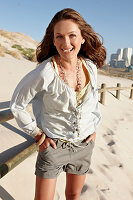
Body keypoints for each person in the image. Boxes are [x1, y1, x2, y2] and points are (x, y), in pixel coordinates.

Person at [10, 8, 106, 200]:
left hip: (84, 145)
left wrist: (93, 128)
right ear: (53, 41)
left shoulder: (90, 67)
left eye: (72, 35)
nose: (66, 43)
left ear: (83, 38)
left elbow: (93, 102)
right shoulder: (45, 72)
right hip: (53, 146)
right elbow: (17, 105)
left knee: (73, 195)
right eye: (59, 36)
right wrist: (36, 134)